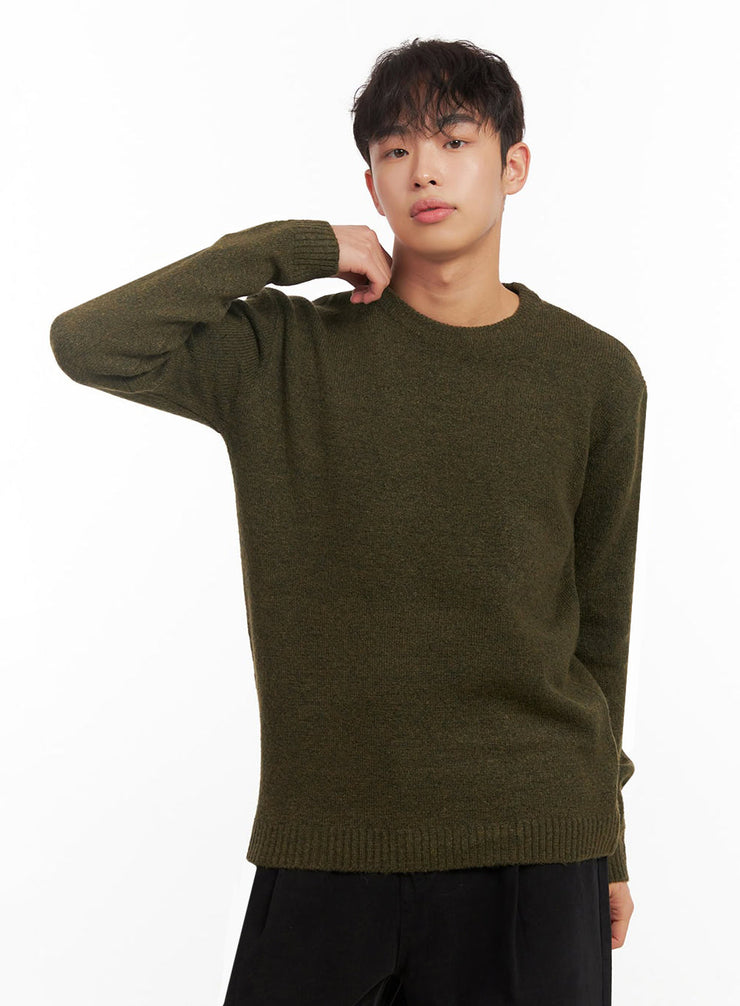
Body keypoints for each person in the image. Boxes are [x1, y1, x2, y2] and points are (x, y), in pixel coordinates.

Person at [49, 35, 646, 1006]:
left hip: (533, 842)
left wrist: (607, 842)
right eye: (394, 149)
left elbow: (600, 627)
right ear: (371, 185)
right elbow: (90, 342)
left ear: (513, 165)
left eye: (453, 139)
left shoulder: (594, 375)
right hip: (329, 837)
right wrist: (296, 248)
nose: (423, 170)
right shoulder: (283, 355)